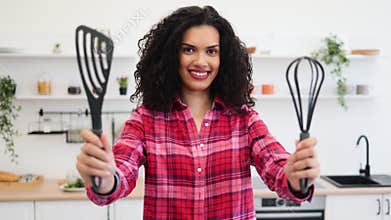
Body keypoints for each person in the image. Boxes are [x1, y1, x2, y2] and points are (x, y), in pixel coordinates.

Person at [76, 5, 320, 219]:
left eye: (211, 51)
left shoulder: (244, 119)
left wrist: (294, 176)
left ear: (224, 58)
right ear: (170, 55)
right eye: (189, 50)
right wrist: (106, 179)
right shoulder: (146, 119)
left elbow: (276, 166)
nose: (201, 61)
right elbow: (122, 171)